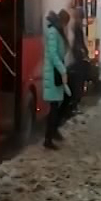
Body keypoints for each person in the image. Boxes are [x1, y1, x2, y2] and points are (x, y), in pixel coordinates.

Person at [43, 10, 71, 150]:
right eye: (66, 24)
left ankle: (52, 132)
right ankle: (48, 138)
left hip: (55, 73)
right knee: (54, 107)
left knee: (58, 104)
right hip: (53, 73)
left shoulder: (56, 31)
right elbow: (53, 55)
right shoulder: (54, 32)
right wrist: (63, 70)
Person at [66, 7, 89, 115]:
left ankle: (73, 105)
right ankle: (74, 105)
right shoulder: (77, 27)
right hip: (77, 59)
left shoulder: (72, 25)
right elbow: (79, 43)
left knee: (75, 83)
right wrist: (85, 52)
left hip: (73, 59)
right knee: (78, 83)